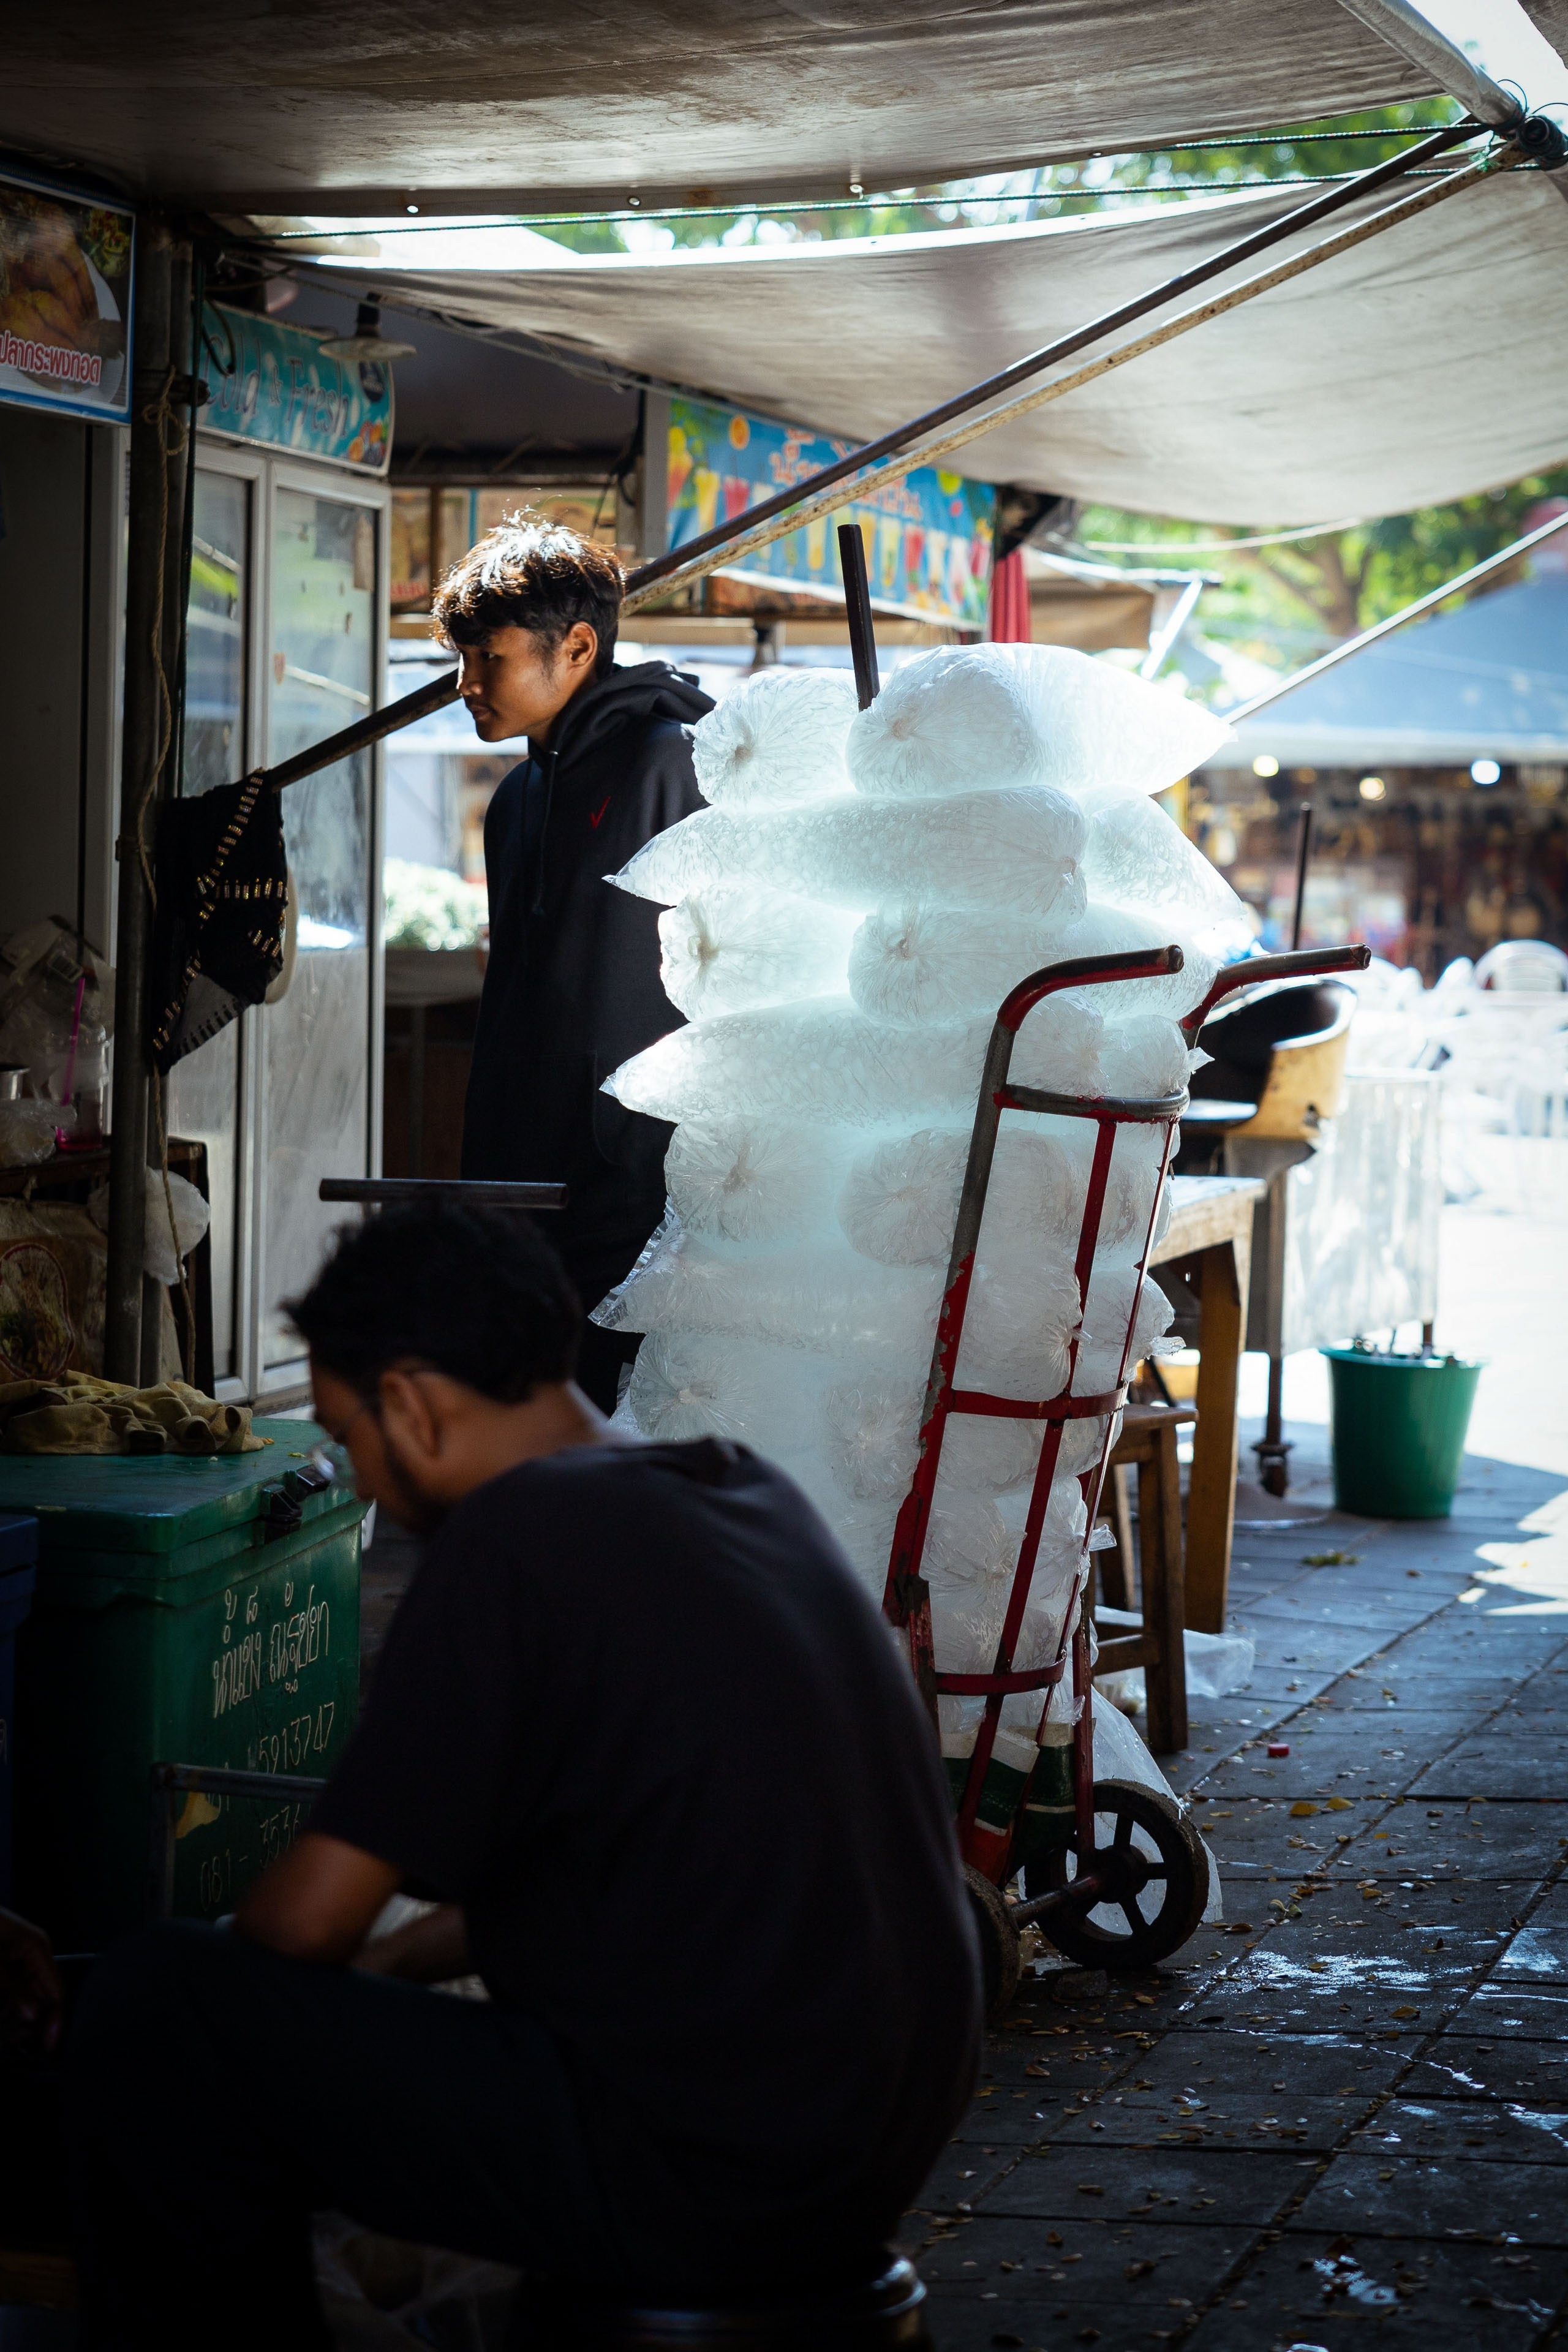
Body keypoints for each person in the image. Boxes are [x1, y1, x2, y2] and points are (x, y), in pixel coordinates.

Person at [59, 1203, 981, 2346]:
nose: (361, 1478)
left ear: (410, 1401)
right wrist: (383, 1977)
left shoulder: (514, 1542)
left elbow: (298, 1933)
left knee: (160, 2004)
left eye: (349, 1438)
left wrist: (260, 2013)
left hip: (707, 2173)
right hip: (872, 2142)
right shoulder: (739, 1491)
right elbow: (610, 1871)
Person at [438, 514, 714, 1410]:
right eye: (463, 658)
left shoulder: (675, 766)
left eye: (492, 658)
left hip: (642, 1188)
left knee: (618, 1435)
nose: (467, 683)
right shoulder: (513, 801)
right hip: (521, 1186)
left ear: (579, 646)